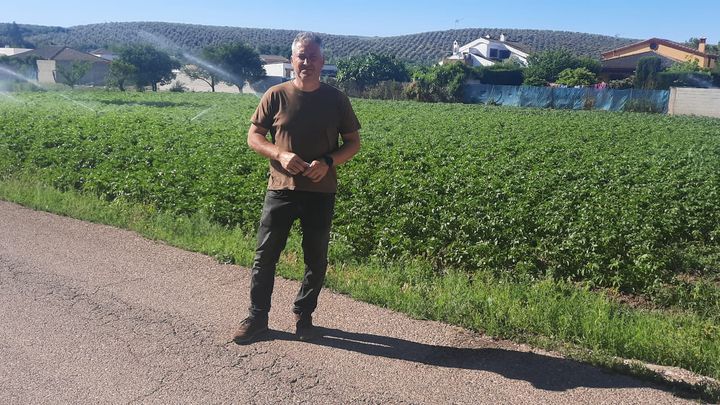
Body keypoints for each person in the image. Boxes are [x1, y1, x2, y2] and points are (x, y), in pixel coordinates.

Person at [233, 32, 361, 343]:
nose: (307, 62)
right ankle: (257, 317)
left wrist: (328, 162)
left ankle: (304, 316)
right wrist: (279, 153)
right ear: (292, 60)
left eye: (312, 57)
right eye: (301, 56)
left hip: (320, 191)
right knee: (266, 255)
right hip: (281, 188)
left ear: (322, 61)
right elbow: (254, 137)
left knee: (315, 257)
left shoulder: (336, 100)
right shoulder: (275, 95)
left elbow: (353, 143)